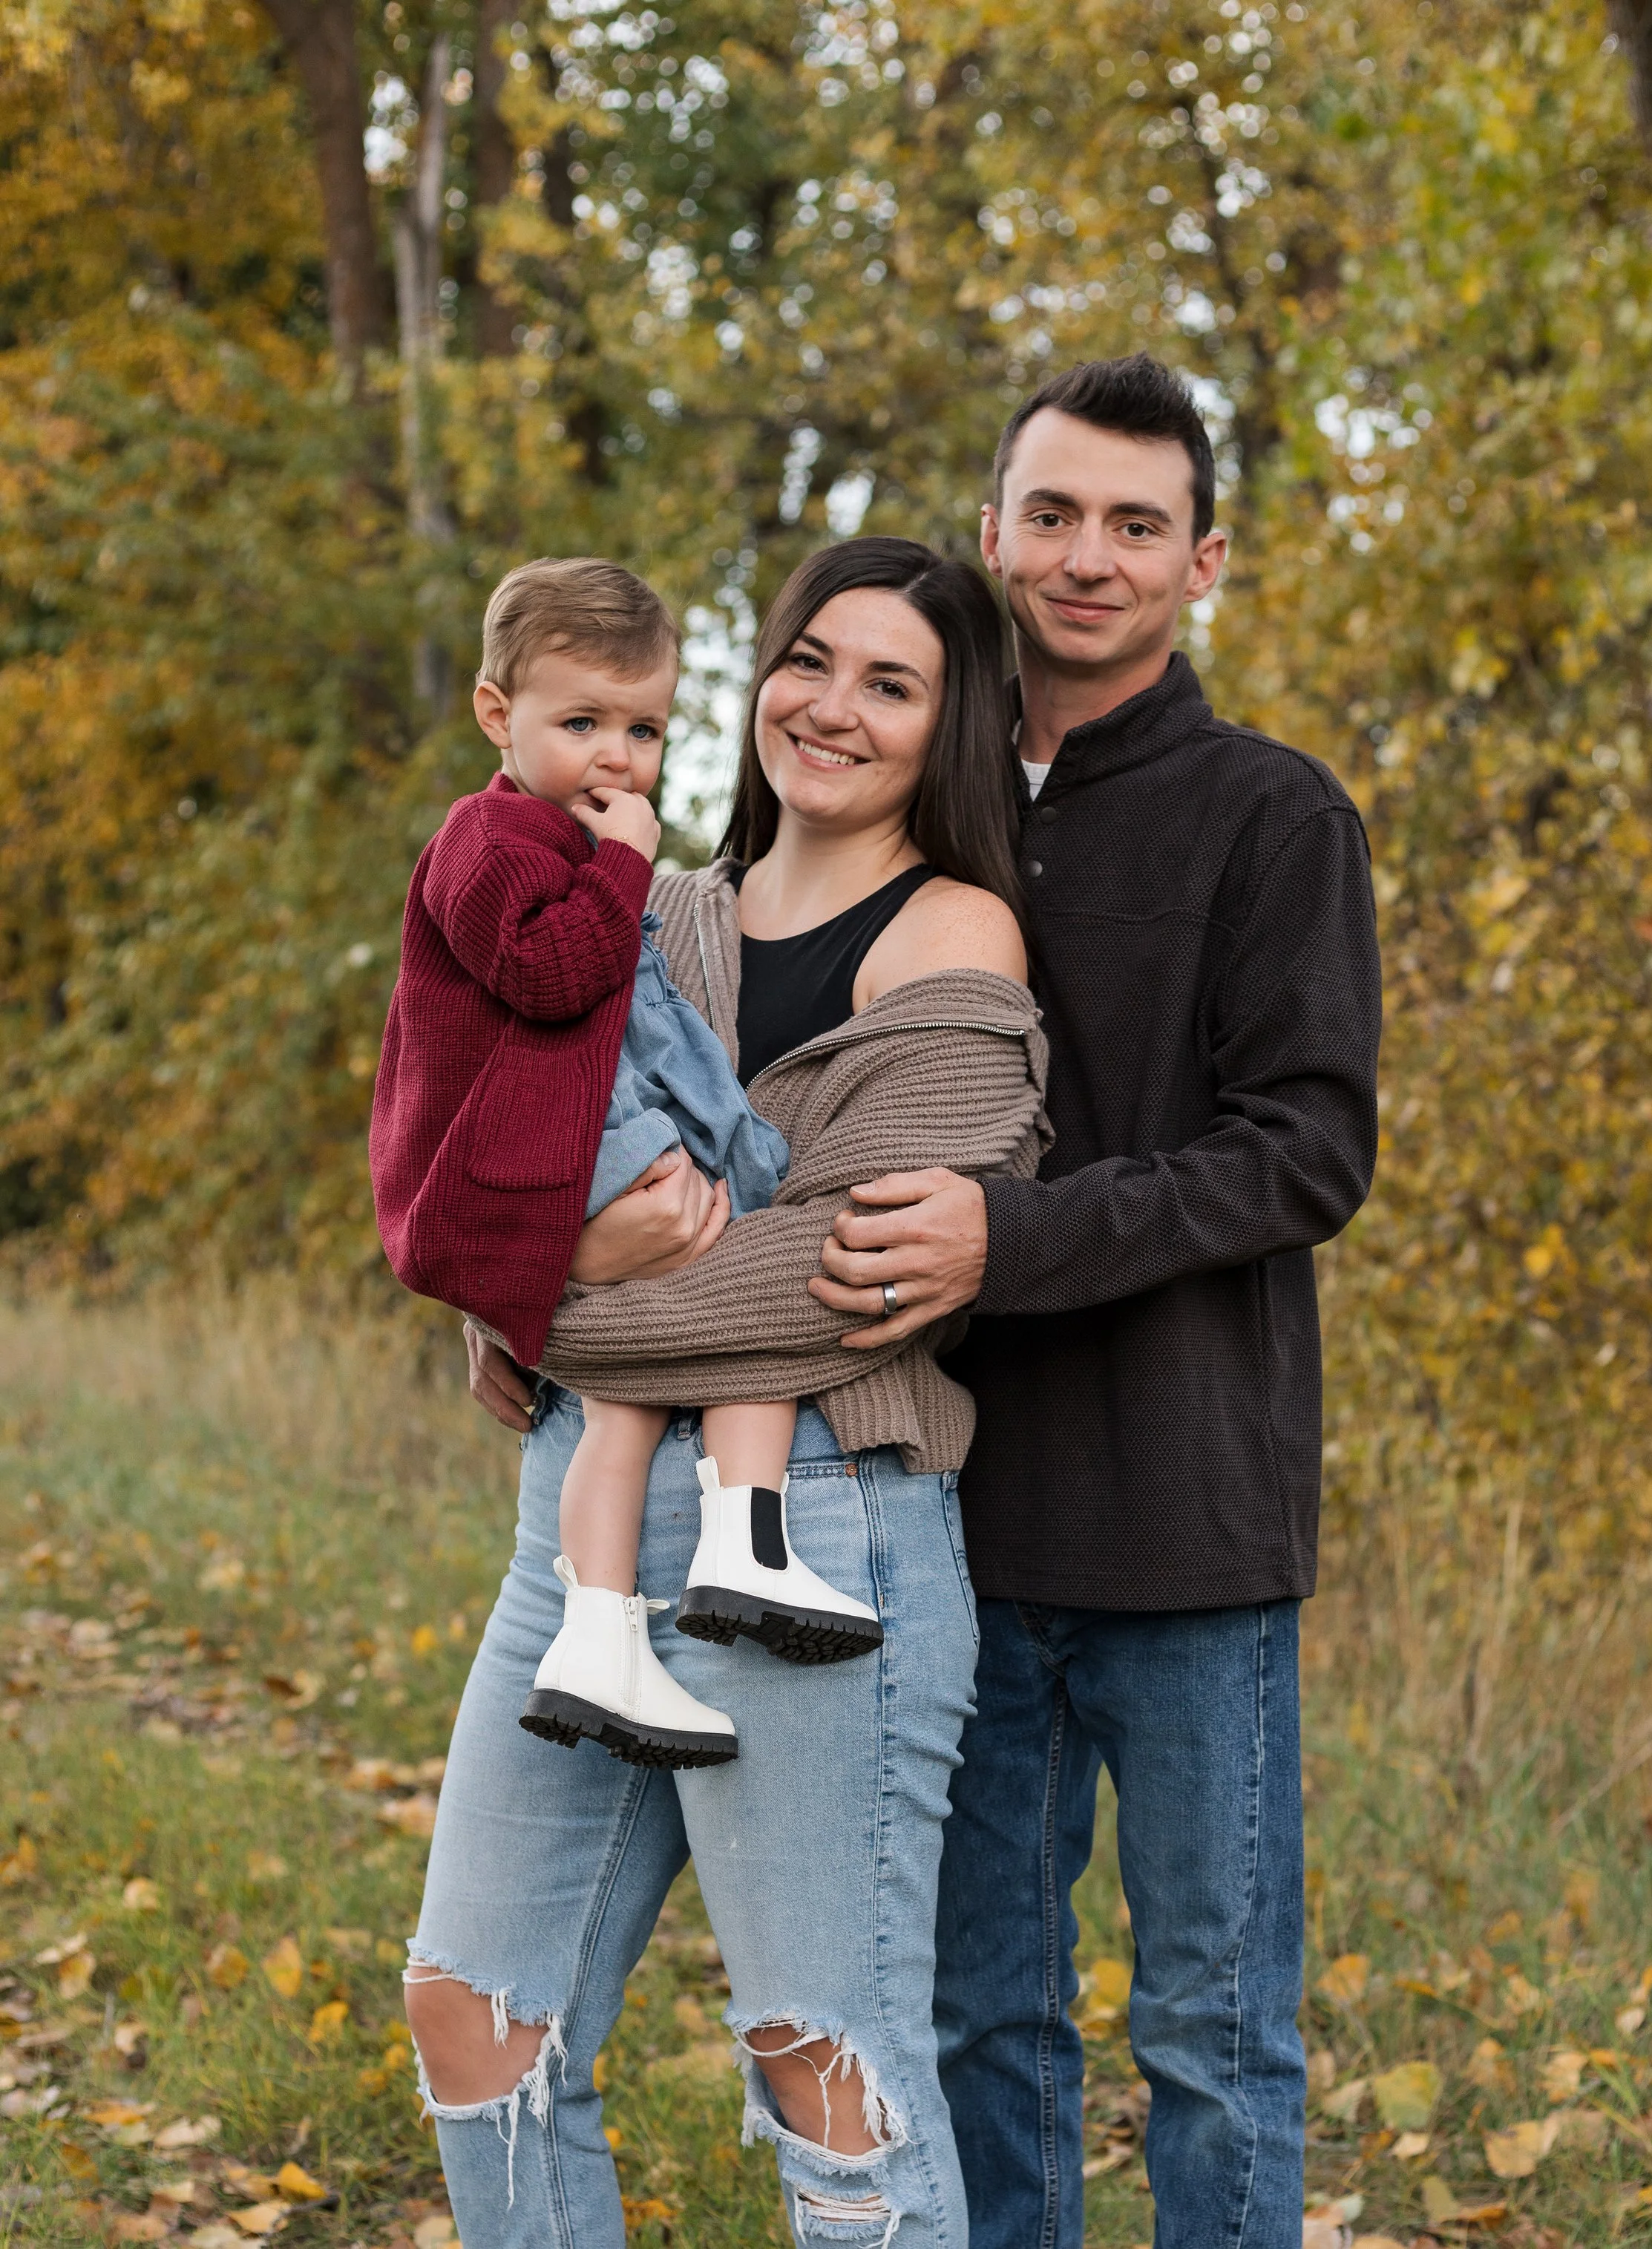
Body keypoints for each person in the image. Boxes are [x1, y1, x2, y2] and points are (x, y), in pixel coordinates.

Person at [805, 356, 1383, 2246]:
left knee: (1214, 2033)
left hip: (1194, 1527)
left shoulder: (1270, 817)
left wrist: (1005, 1239)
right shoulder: (915, 816)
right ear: (990, 533)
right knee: (985, 2021)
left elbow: (1304, 1151)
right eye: (1049, 514)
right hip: (942, 1517)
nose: (1086, 556)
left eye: (1136, 523)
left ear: (1200, 560)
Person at [411, 536, 1048, 2249]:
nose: (830, 708)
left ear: (949, 726)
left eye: (889, 683)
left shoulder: (955, 939)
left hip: (823, 1536)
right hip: (584, 1538)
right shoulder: (645, 904)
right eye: (807, 660)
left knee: (819, 2065)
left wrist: (532, 1291)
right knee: (477, 2016)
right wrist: (536, 1250)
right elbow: (467, 1138)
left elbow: (835, 1287)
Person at [369, 557, 878, 1774]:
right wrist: (625, 863)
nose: (618, 755)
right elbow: (552, 978)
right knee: (726, 1301)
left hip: (615, 1125)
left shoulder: (573, 838)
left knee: (648, 1383)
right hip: (561, 1144)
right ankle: (691, 1567)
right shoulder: (488, 836)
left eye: (643, 728)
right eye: (582, 722)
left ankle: (668, 1588)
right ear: (500, 717)